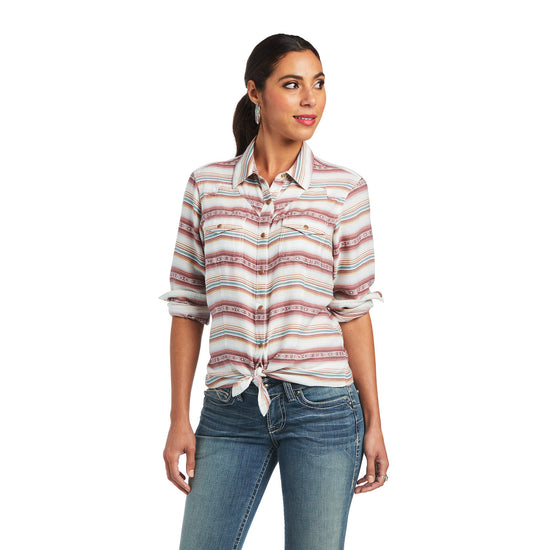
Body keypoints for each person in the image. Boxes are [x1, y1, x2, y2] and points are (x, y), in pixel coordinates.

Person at [159, 33, 389, 550]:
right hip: (229, 408)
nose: (310, 99)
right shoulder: (207, 186)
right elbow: (188, 307)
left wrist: (375, 422)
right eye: (292, 85)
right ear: (255, 92)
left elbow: (354, 311)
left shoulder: (344, 190)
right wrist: (178, 418)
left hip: (323, 409)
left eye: (319, 84)